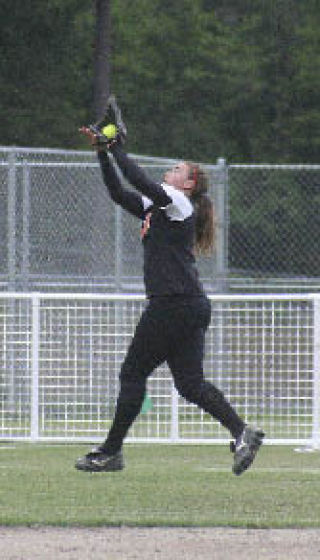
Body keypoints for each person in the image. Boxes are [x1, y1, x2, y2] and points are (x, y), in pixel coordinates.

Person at [76, 102, 264, 476]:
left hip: (173, 304)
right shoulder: (159, 208)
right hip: (189, 304)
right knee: (190, 384)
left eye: (179, 169)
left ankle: (111, 452)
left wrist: (116, 147)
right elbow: (119, 192)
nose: (171, 170)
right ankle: (242, 431)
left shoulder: (179, 202)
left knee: (132, 375)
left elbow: (141, 182)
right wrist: (103, 153)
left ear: (189, 184)